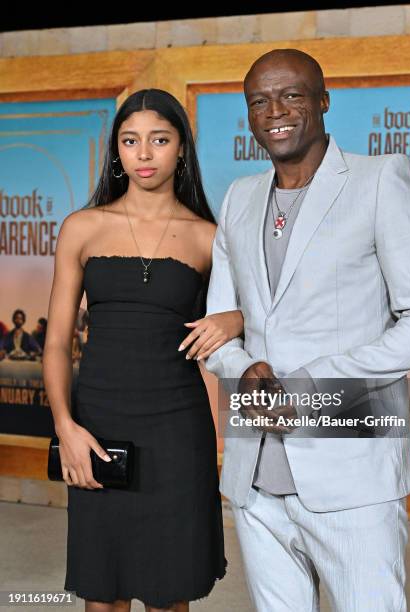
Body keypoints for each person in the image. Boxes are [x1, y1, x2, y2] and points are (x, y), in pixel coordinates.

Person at [203, 49, 410, 611]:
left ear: (323, 100)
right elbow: (222, 327)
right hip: (256, 478)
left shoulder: (379, 178)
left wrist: (315, 380)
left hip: (354, 475)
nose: (275, 111)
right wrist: (244, 369)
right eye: (259, 100)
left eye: (291, 94)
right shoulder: (240, 198)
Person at [43, 88, 244, 612]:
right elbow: (58, 342)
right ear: (117, 151)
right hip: (97, 422)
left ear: (181, 149)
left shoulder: (209, 237)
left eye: (160, 139)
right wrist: (65, 426)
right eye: (131, 141)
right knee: (102, 589)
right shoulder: (82, 227)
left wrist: (235, 317)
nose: (145, 153)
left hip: (177, 428)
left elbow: (265, 317)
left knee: (168, 588)